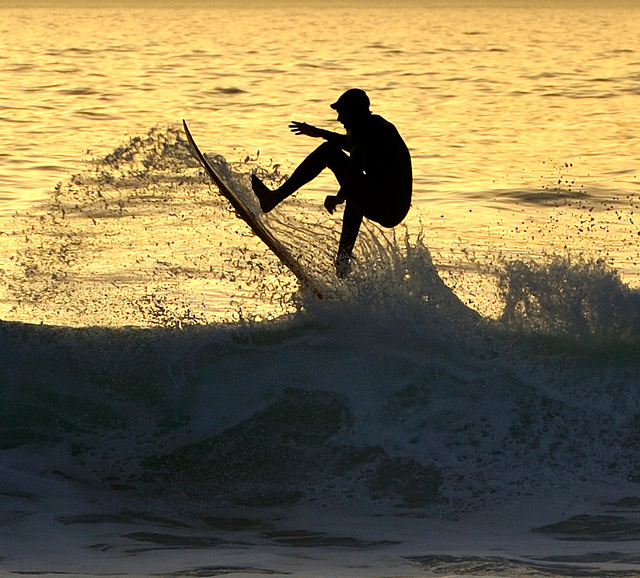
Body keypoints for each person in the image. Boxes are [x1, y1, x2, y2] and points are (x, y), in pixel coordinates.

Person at [251, 88, 412, 278]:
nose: (339, 120)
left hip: (386, 204)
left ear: (353, 113)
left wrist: (339, 196)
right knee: (357, 193)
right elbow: (351, 144)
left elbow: (355, 163)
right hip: (392, 206)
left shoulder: (365, 129)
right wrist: (318, 132)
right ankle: (342, 265)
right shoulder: (374, 126)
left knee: (328, 152)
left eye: (341, 113)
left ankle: (274, 197)